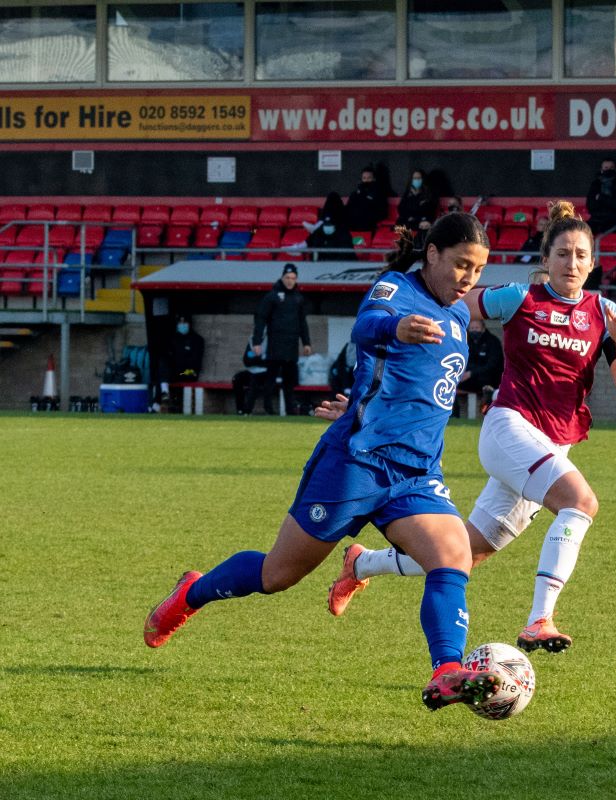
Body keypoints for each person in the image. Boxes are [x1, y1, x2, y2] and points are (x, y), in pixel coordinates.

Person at [143, 216, 502, 712]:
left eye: (477, 269)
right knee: (277, 575)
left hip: (416, 472)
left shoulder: (460, 316)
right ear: (433, 254)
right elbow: (366, 328)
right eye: (461, 264)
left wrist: (359, 400)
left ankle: (447, 670)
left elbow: (419, 391)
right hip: (355, 463)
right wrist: (395, 328)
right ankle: (192, 593)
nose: (468, 277)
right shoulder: (394, 289)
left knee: (452, 557)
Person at [325, 200, 616, 656]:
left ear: (593, 264)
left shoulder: (603, 312)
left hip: (555, 445)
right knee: (580, 503)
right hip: (508, 428)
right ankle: (540, 620)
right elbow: (454, 304)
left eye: (580, 255)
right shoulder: (520, 297)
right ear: (545, 261)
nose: (571, 263)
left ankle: (363, 564)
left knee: (465, 553)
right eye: (562, 254)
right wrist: (387, 384)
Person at [253, 264, 312, 416]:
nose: (290, 281)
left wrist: (306, 343)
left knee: (289, 381)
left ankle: (290, 410)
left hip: (291, 346)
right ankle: (268, 408)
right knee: (271, 379)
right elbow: (261, 319)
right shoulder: (272, 296)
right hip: (275, 345)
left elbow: (302, 322)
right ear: (282, 277)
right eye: (287, 278)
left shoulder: (298, 298)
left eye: (293, 278)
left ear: (296, 279)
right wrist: (257, 341)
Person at [585, 158, 616, 235]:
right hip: (596, 219)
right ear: (601, 169)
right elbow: (590, 205)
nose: (609, 170)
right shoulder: (596, 184)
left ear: (615, 169)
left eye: (611, 168)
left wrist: (601, 198)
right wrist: (609, 201)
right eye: (606, 168)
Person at [459, 318, 503, 398]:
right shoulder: (467, 341)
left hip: (489, 379)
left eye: (477, 328)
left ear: (483, 329)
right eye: (472, 328)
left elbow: (492, 365)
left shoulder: (493, 342)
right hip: (469, 378)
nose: (474, 331)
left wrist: (471, 373)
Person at [344, 165, 389, 232]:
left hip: (370, 221)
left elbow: (382, 211)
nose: (366, 180)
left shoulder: (379, 193)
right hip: (355, 221)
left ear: (374, 179)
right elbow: (349, 207)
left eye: (369, 178)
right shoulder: (356, 193)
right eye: (364, 178)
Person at [233, 334, 270, 416]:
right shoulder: (253, 340)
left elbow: (270, 361)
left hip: (268, 373)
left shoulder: (272, 339)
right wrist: (260, 358)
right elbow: (246, 360)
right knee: (237, 379)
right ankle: (240, 410)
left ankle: (247, 410)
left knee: (255, 380)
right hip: (253, 371)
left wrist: (255, 357)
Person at [396, 169, 438, 234]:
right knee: (400, 225)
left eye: (419, 178)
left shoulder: (429, 194)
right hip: (409, 221)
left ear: (423, 179)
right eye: (415, 178)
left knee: (425, 226)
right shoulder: (408, 193)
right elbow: (401, 209)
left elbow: (430, 210)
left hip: (423, 220)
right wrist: (413, 196)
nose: (416, 180)